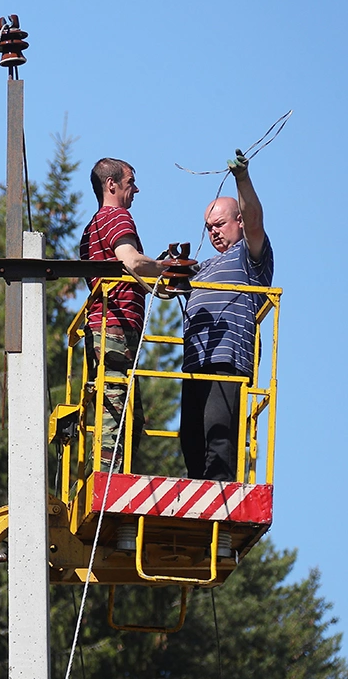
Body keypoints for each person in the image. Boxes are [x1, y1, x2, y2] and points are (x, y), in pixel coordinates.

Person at [180, 150, 273, 481]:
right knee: (190, 440)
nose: (214, 232)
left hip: (227, 361)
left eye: (219, 224)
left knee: (219, 435)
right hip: (195, 363)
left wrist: (242, 179)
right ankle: (198, 498)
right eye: (209, 228)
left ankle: (218, 496)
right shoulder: (203, 267)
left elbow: (256, 218)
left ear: (239, 222)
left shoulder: (250, 256)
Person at [79, 158, 168, 472]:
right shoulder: (117, 216)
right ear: (111, 185)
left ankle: (112, 474)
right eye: (131, 182)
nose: (136, 189)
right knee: (117, 406)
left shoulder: (93, 226)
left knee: (127, 410)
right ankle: (108, 479)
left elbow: (126, 272)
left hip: (106, 326)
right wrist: (168, 269)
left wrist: (157, 281)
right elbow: (131, 260)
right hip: (115, 328)